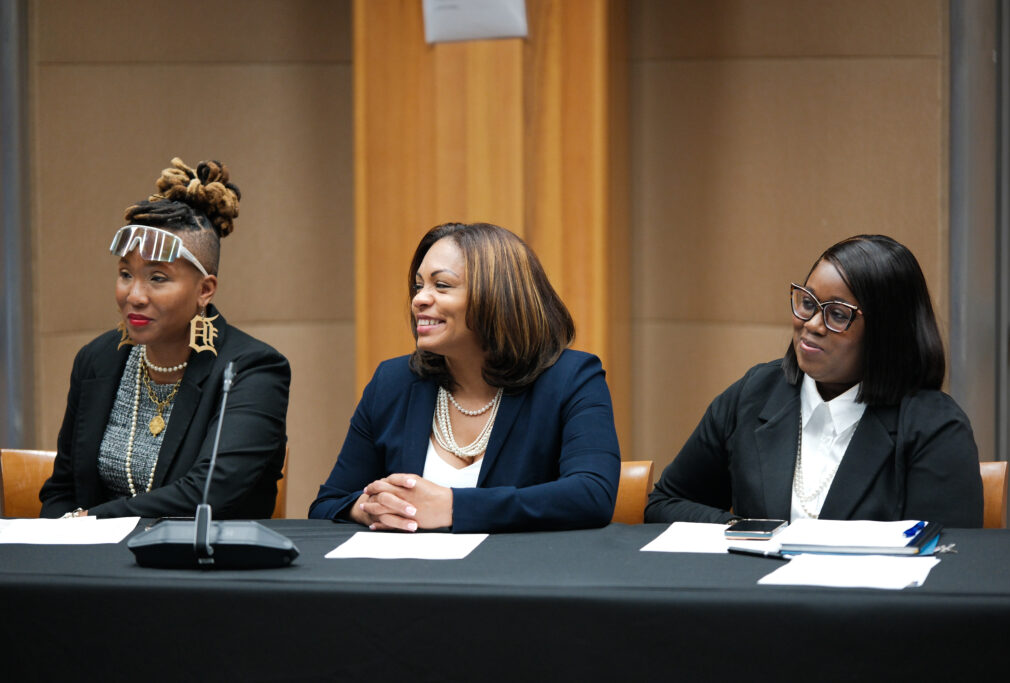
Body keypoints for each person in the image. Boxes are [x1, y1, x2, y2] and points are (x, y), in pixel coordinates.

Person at [645, 234, 983, 528]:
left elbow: (948, 560)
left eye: (837, 314)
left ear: (887, 334)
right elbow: (665, 503)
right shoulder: (754, 394)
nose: (812, 324)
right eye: (807, 303)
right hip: (758, 597)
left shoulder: (935, 427)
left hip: (869, 602)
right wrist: (745, 530)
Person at [309, 222, 620, 532]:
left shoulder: (571, 378)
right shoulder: (392, 382)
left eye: (441, 285)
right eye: (419, 286)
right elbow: (329, 503)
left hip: (521, 574)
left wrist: (454, 507)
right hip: (408, 577)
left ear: (499, 297)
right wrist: (371, 509)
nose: (419, 299)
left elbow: (591, 495)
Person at [39, 158, 290, 519]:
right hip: (97, 568)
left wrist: (90, 523)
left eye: (157, 278)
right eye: (126, 273)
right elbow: (62, 489)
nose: (135, 295)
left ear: (205, 290)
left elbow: (209, 492)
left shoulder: (252, 369)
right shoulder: (96, 360)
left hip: (200, 566)